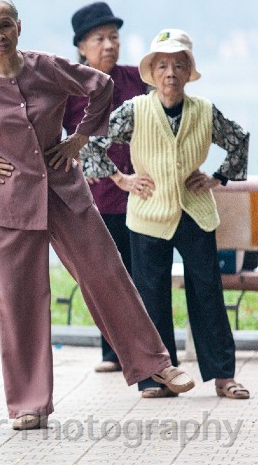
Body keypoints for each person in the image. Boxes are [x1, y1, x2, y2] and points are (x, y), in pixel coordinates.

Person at [0, 0, 195, 430]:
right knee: (21, 302)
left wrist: (79, 139)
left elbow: (99, 89)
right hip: (10, 204)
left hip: (66, 191)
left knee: (107, 273)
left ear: (19, 27)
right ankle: (29, 404)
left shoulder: (46, 67)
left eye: (5, 24)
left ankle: (154, 363)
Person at [82, 29, 250, 400]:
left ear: (189, 71)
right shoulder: (136, 109)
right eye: (162, 66)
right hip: (148, 214)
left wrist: (217, 177)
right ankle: (156, 376)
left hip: (195, 212)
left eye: (178, 65)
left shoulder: (203, 110)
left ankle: (224, 375)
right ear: (152, 73)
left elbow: (238, 139)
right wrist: (121, 179)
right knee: (151, 294)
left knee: (207, 292)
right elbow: (92, 143)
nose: (170, 73)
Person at [65, 2, 149, 373]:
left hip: (144, 195)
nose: (109, 45)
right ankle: (113, 352)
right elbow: (66, 143)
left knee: (142, 274)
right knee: (106, 276)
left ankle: (149, 353)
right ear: (82, 46)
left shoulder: (137, 80)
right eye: (99, 38)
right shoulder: (71, 90)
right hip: (99, 199)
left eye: (114, 37)